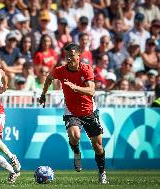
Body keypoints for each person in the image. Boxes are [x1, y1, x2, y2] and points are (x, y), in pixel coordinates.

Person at [39, 43, 108, 184]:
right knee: (74, 135)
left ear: (78, 56)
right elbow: (49, 78)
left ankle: (102, 173)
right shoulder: (61, 70)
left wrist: (75, 87)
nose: (68, 59)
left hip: (89, 111)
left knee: (98, 146)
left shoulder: (86, 70)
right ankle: (77, 152)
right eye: (66, 56)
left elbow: (91, 91)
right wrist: (43, 94)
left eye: (71, 56)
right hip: (71, 110)